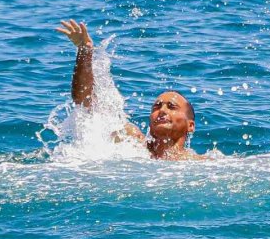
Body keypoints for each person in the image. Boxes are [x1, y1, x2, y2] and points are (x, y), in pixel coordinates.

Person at [57, 19, 205, 161]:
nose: (162, 110)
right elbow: (85, 103)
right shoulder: (132, 143)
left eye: (171, 106)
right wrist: (85, 51)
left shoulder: (201, 164)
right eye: (157, 106)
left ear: (190, 125)